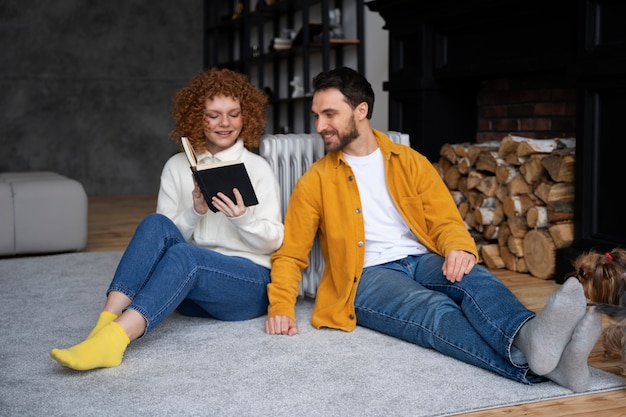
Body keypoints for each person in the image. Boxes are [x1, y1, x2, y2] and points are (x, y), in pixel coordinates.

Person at [264, 66, 601, 392]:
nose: (320, 125)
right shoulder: (315, 181)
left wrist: (458, 247)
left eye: (329, 114)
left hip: (421, 259)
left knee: (477, 281)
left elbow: (445, 219)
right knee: (434, 311)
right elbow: (291, 252)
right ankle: (544, 363)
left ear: (361, 110)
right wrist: (280, 307)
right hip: (366, 277)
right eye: (317, 115)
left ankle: (531, 336)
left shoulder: (409, 161)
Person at [50, 68, 284, 371]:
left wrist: (242, 219)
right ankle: (104, 325)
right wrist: (195, 211)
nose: (225, 123)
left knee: (188, 257)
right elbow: (159, 244)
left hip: (246, 286)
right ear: (196, 117)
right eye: (213, 115)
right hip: (188, 294)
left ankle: (114, 341)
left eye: (233, 114)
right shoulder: (176, 167)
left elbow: (274, 241)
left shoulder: (257, 167)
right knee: (155, 223)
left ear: (246, 116)